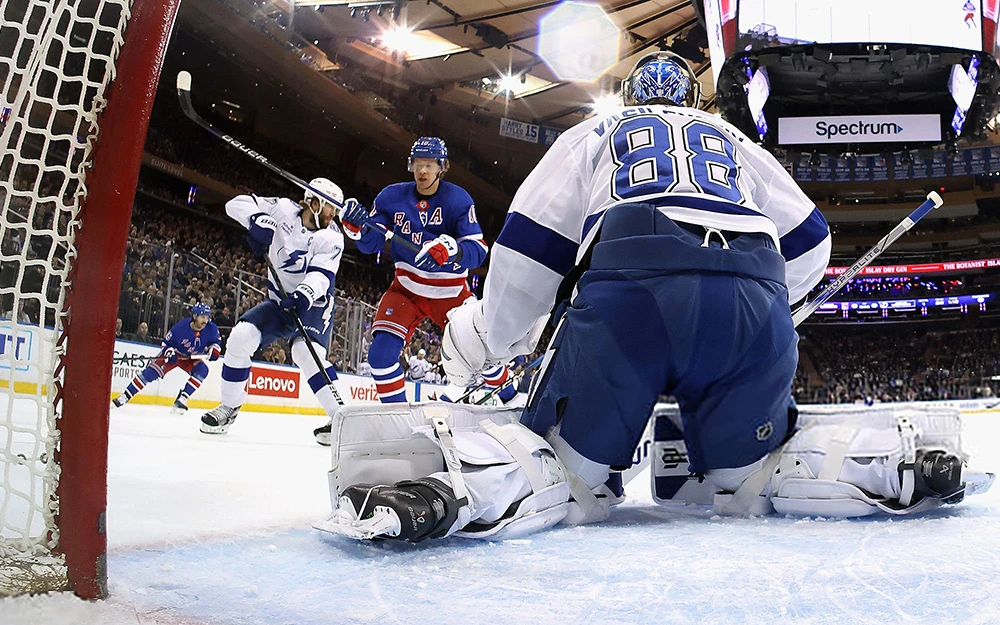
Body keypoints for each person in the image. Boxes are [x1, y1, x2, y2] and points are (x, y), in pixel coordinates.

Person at [328, 52, 971, 542]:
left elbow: (530, 248)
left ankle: (449, 494)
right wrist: (772, 304)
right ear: (694, 99)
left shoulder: (596, 132)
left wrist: (488, 337)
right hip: (753, 289)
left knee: (571, 475)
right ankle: (887, 465)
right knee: (751, 482)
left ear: (630, 96)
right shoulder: (736, 142)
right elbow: (810, 243)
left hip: (633, 284)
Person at [311, 138, 516, 445]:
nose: (422, 170)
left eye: (429, 164)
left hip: (451, 293)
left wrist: (451, 248)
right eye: (418, 163)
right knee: (380, 356)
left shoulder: (458, 200)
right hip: (406, 289)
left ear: (441, 167)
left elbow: (478, 250)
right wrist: (355, 227)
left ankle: (514, 404)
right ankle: (398, 425)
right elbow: (371, 243)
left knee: (485, 358)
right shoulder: (391, 197)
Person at [198, 179, 345, 434]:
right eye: (330, 207)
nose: (334, 215)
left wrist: (302, 295)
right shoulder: (282, 209)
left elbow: (322, 277)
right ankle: (229, 407)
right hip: (279, 301)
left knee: (304, 352)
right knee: (240, 338)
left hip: (313, 304)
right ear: (313, 203)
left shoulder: (332, 237)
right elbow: (235, 203)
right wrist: (256, 219)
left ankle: (341, 420)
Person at [112, 303, 221, 413]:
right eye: (202, 317)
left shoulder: (211, 328)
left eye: (207, 317)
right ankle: (125, 396)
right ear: (194, 316)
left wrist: (214, 350)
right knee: (150, 373)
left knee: (202, 370)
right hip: (175, 353)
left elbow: (215, 343)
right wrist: (170, 353)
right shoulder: (180, 328)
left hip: (190, 357)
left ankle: (182, 398)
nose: (205, 321)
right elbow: (165, 343)